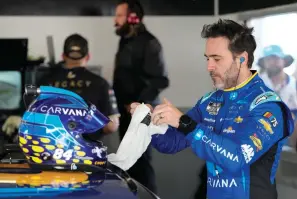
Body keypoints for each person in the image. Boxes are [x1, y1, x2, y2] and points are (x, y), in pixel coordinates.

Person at [130, 19, 294, 199]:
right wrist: (147, 119)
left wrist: (185, 123)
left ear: (242, 58)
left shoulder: (267, 105)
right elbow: (170, 143)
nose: (209, 66)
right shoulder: (209, 101)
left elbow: (237, 158)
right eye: (208, 58)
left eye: (217, 59)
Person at [2, 33, 119, 139]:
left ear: (63, 56)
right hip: (87, 152)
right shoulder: (101, 83)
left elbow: (29, 116)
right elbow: (112, 126)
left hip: (51, 150)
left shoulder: (45, 82)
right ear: (88, 57)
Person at [112, 0, 169, 193]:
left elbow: (160, 80)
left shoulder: (150, 42)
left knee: (141, 164)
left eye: (119, 15)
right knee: (128, 166)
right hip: (124, 112)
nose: (115, 20)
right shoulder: (125, 40)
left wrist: (139, 105)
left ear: (132, 17)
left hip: (140, 113)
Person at [257, 45, 297, 150]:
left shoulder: (294, 85)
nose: (272, 62)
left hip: (288, 140)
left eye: (276, 58)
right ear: (264, 63)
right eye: (268, 59)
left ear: (284, 61)